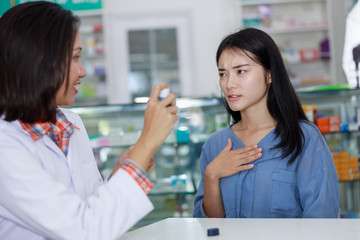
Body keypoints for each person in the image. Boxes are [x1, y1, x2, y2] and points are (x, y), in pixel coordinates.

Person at [0, 2, 178, 239]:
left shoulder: (69, 124)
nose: (82, 71)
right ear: (39, 62)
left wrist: (122, 171)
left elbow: (89, 207)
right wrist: (147, 142)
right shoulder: (6, 144)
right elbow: (83, 230)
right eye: (74, 58)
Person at [193, 28, 339, 218]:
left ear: (269, 75)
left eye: (241, 71)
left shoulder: (303, 138)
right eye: (223, 74)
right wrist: (212, 175)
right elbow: (208, 228)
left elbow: (322, 217)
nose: (229, 84)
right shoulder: (215, 145)